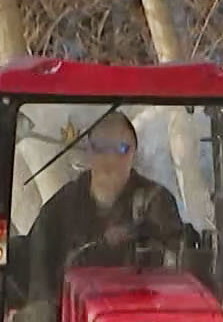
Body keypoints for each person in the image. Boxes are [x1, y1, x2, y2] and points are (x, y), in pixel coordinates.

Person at [24, 111, 186, 308]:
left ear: (134, 153)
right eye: (101, 148)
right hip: (72, 320)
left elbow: (176, 270)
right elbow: (38, 280)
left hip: (142, 316)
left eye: (121, 148)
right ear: (88, 152)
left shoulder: (157, 203)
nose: (111, 159)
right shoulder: (59, 209)